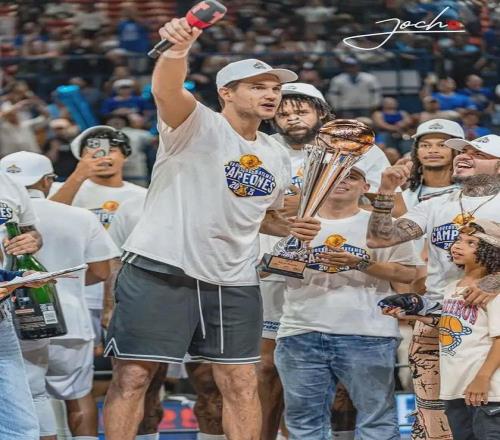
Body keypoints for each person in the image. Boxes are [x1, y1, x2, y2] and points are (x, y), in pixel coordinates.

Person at [102, 15, 321, 440]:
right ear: (226, 92)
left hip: (234, 279)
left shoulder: (276, 153)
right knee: (134, 377)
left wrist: (291, 226)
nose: (271, 95)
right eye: (257, 87)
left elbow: (265, 217)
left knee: (241, 383)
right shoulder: (197, 124)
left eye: (275, 88)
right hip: (162, 268)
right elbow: (166, 90)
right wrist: (178, 49)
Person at [366, 134, 500, 440]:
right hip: (438, 317)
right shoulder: (436, 205)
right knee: (433, 417)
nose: (463, 155)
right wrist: (386, 191)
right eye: (462, 151)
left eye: (478, 153)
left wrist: (496, 280)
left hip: (490, 323)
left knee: (489, 414)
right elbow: (379, 239)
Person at [275, 165, 420, 440]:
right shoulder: (294, 225)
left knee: (377, 419)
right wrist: (293, 257)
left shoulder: (383, 225)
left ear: (366, 187)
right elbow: (264, 269)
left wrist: (359, 263)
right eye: (335, 176)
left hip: (368, 334)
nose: (342, 181)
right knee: (304, 423)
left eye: (352, 177)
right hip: (301, 331)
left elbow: (407, 274)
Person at [1, 151, 120, 440]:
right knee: (78, 395)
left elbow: (31, 235)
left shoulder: (9, 192)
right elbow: (103, 271)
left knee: (31, 397)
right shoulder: (81, 216)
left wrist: (33, 243)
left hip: (15, 315)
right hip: (70, 316)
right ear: (47, 180)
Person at [382, 219, 500, 439]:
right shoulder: (451, 288)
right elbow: (454, 324)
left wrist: (482, 378)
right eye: (458, 240)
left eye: (471, 243)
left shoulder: (491, 291)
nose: (458, 245)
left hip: (488, 390)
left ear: (490, 251)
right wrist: (413, 315)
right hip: (455, 388)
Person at [49, 125, 147, 353]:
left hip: (125, 289)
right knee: (75, 362)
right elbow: (47, 219)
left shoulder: (143, 195)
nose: (104, 156)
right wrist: (78, 175)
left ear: (125, 155)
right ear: (81, 157)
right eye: (94, 151)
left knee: (124, 361)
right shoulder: (62, 189)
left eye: (112, 149)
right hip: (75, 288)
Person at [0, 171, 43, 439]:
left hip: (3, 318)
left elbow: (32, 234)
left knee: (21, 426)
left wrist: (32, 242)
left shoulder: (9, 182)